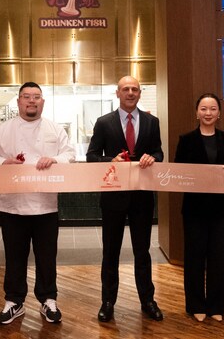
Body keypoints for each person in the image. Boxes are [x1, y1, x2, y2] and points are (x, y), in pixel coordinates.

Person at [0, 82, 75, 325]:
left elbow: (70, 154)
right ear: (18, 101)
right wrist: (4, 163)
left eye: (36, 97)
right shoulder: (2, 130)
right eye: (26, 96)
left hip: (46, 205)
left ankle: (48, 299)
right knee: (14, 257)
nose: (31, 101)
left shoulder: (55, 129)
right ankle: (14, 301)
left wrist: (53, 159)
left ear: (42, 102)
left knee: (47, 257)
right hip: (12, 205)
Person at [86, 75, 164, 322]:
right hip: (113, 197)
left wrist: (153, 157)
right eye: (126, 89)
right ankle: (108, 302)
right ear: (117, 93)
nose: (130, 93)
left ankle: (148, 300)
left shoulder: (152, 122)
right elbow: (91, 156)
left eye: (135, 89)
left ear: (139, 93)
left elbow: (159, 152)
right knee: (111, 252)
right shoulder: (104, 123)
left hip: (142, 197)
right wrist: (111, 160)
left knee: (143, 252)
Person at [174, 93, 224, 322]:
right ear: (197, 112)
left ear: (219, 113)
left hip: (221, 208)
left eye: (212, 109)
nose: (208, 113)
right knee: (194, 258)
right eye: (203, 109)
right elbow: (179, 172)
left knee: (218, 258)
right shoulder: (186, 139)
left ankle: (216, 306)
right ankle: (195, 305)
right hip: (194, 208)